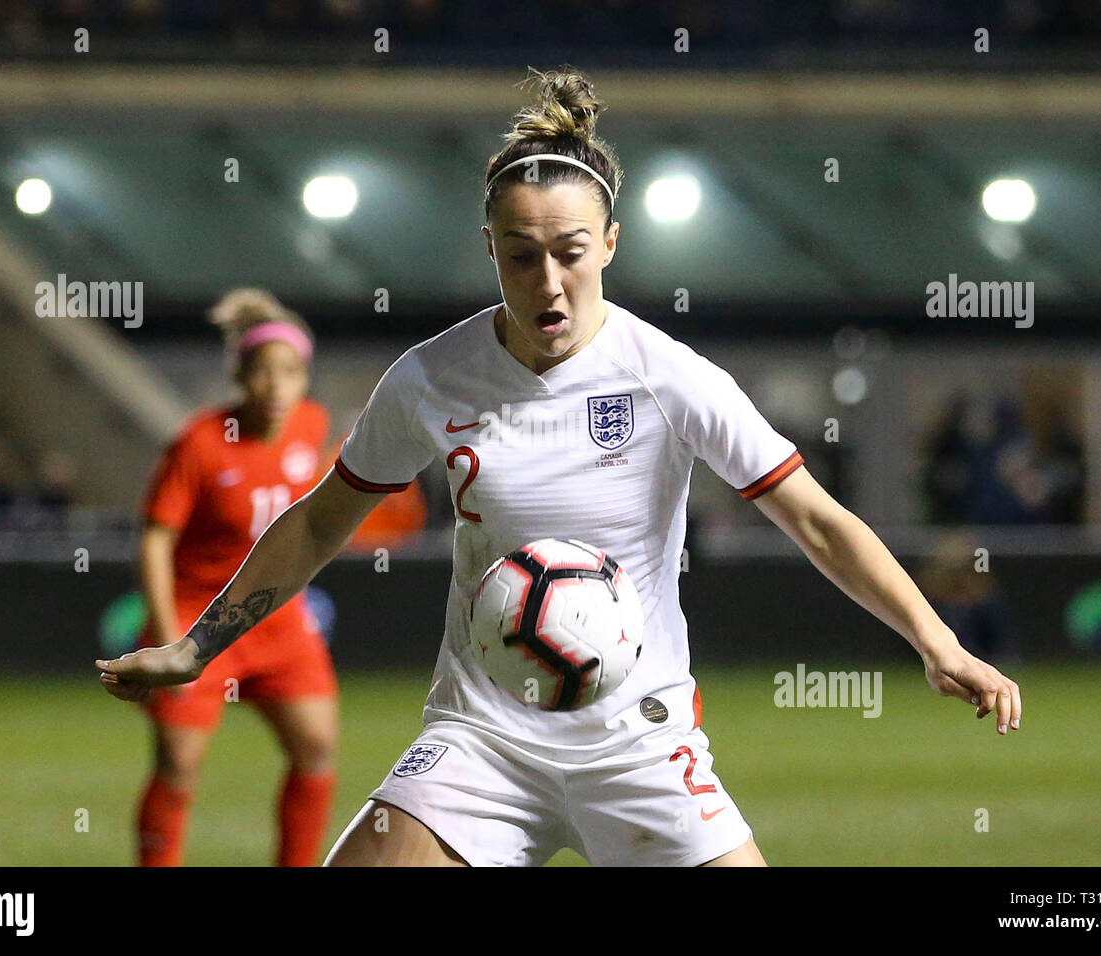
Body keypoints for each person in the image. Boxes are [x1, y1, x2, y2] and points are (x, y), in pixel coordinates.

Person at [97, 67, 1023, 867]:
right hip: (479, 738)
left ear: (611, 246)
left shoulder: (671, 377)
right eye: (522, 256)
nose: (549, 282)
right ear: (489, 253)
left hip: (640, 742)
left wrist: (938, 642)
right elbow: (317, 520)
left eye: (572, 254)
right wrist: (195, 646)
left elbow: (819, 521)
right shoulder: (429, 378)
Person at [129, 288, 339, 866]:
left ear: (305, 378)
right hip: (199, 619)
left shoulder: (312, 428)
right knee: (179, 763)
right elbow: (155, 538)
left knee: (316, 747)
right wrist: (171, 638)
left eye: (291, 372)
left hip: (276, 618)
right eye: (262, 372)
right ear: (239, 376)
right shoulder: (200, 443)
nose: (277, 386)